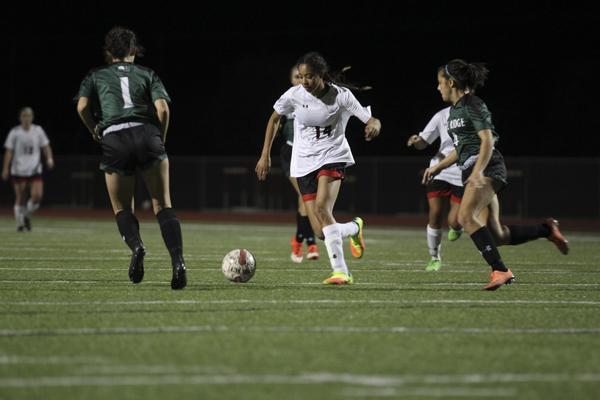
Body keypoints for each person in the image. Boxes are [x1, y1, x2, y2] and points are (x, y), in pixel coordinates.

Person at [423, 59, 569, 290]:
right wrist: (438, 167)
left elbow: (487, 139)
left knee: (465, 217)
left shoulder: (473, 104)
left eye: (439, 82)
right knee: (498, 235)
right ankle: (547, 229)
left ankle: (500, 270)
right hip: (474, 168)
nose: (437, 87)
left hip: (488, 167)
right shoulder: (453, 113)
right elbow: (462, 148)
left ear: (451, 82)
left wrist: (478, 171)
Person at [75, 26, 186, 290]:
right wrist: (161, 136)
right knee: (162, 204)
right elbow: (163, 108)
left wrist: (94, 130)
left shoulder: (96, 75)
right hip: (147, 134)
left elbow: (81, 106)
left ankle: (137, 246)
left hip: (114, 138)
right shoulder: (147, 73)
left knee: (122, 208)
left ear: (108, 52)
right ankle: (178, 262)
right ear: (134, 51)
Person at [256, 52, 381, 285]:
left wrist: (374, 126)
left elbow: (371, 119)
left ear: (321, 75)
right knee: (321, 231)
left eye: (309, 77)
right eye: (301, 77)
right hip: (303, 162)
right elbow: (274, 119)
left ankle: (341, 271)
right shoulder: (294, 95)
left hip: (332, 156)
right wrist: (265, 155)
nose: (304, 82)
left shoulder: (341, 96)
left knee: (323, 208)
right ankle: (354, 228)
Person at [407, 107, 464, 271]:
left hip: (461, 170)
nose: (439, 87)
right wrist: (417, 141)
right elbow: (423, 142)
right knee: (435, 213)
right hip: (439, 169)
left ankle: (456, 226)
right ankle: (434, 257)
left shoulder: (473, 111)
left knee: (455, 220)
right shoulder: (441, 115)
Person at [278, 66, 319, 263]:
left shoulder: (313, 98)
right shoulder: (289, 98)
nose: (301, 80)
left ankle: (297, 240)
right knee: (305, 197)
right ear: (292, 79)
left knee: (305, 200)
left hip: (307, 155)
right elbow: (275, 120)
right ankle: (310, 243)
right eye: (297, 76)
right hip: (290, 153)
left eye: (304, 76)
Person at [2, 107, 54, 231]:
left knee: (37, 196)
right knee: (21, 197)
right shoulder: (15, 132)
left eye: (28, 116)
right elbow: (9, 152)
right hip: (18, 170)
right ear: (20, 118)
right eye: (24, 116)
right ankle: (20, 224)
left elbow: (46, 146)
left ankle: (25, 216)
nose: (26, 118)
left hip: (35, 169)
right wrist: (5, 168)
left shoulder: (38, 130)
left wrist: (49, 159)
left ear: (32, 117)